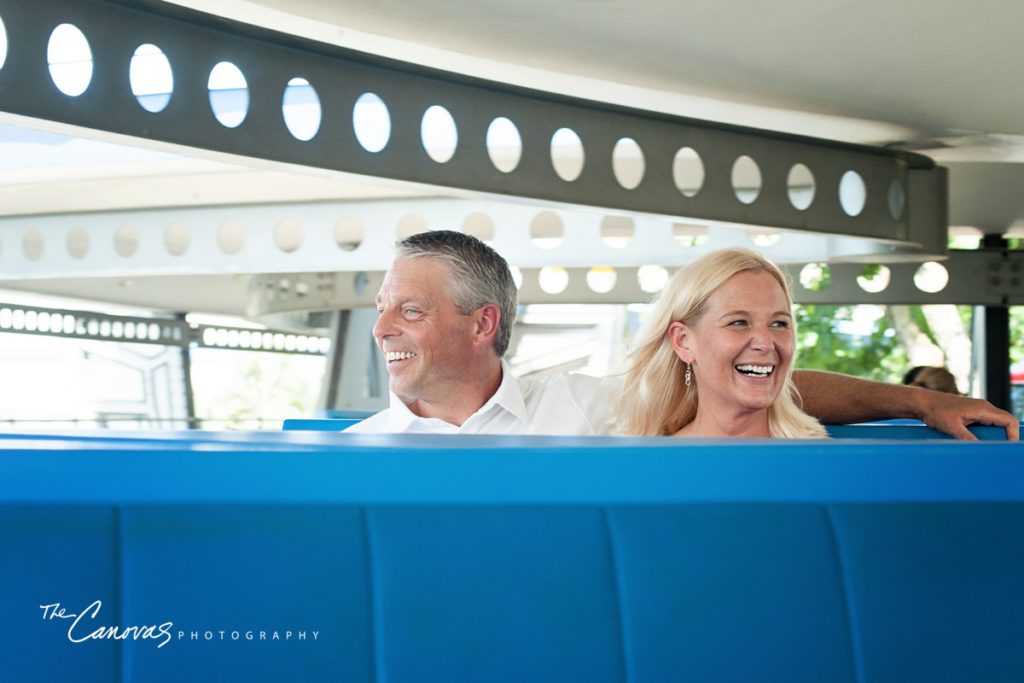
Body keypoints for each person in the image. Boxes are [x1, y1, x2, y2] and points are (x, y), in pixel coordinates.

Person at [347, 230, 1019, 440]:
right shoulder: (355, 450)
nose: (381, 329)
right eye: (382, 308)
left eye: (409, 309)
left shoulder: (589, 406)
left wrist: (919, 402)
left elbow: (749, 387)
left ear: (482, 321)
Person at [617, 249, 826, 438]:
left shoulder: (826, 460)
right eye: (739, 323)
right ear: (683, 341)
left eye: (779, 324)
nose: (765, 343)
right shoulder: (648, 463)